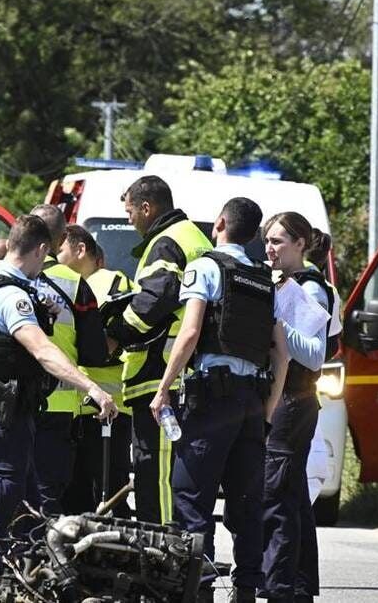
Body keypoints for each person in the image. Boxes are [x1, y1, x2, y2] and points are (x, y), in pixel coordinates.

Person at [0, 215, 115, 600]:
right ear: (41, 249)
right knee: (0, 505)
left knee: (9, 499)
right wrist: (92, 387)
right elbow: (42, 351)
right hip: (4, 412)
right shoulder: (12, 295)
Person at [147, 198, 290, 603]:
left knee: (192, 499)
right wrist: (269, 407)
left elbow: (190, 333)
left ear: (221, 223)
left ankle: (201, 590)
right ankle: (246, 590)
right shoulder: (264, 279)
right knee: (246, 504)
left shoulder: (207, 267)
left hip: (209, 400)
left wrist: (163, 388)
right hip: (250, 404)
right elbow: (281, 351)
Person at [105, 175, 212, 524]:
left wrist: (116, 334)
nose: (130, 219)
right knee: (175, 473)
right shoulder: (195, 236)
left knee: (158, 475)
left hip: (160, 373)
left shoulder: (166, 242)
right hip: (186, 372)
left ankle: (164, 562)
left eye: (130, 211)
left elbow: (154, 300)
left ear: (147, 207)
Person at [259, 213, 333, 603]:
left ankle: (279, 588)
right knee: (293, 499)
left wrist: (275, 327)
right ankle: (297, 588)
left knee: (279, 498)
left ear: (301, 244)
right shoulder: (286, 283)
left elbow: (316, 354)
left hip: (294, 399)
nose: (270, 248)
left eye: (278, 241)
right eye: (267, 241)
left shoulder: (310, 290)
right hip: (288, 398)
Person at [28, 205, 109, 515]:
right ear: (62, 238)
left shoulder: (4, 275)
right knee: (48, 491)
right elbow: (95, 353)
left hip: (9, 401)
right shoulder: (75, 284)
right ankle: (42, 560)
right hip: (58, 405)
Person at [57, 225, 134, 516]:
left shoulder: (108, 280)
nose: (55, 255)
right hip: (78, 406)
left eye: (60, 249)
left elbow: (117, 332)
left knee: (107, 495)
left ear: (80, 250)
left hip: (105, 408)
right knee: (76, 493)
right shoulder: (66, 283)